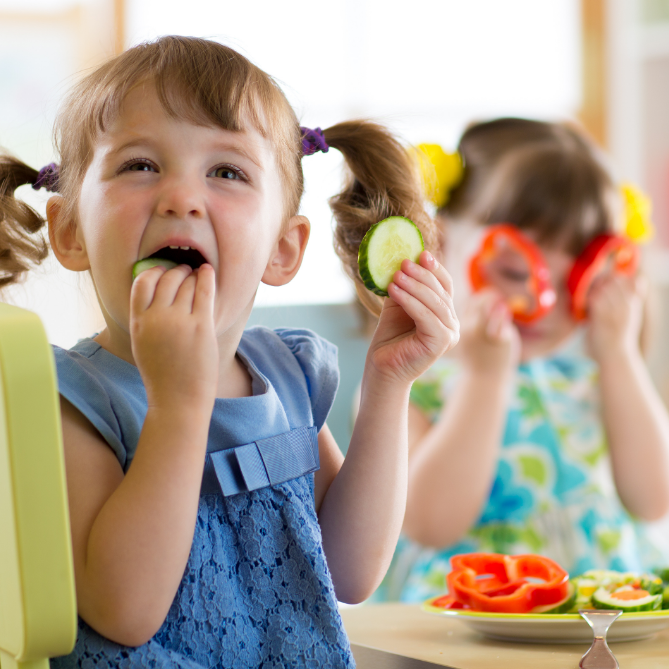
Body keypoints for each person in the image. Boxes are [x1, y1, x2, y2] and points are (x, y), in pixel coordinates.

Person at [0, 37, 459, 666]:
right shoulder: (71, 399)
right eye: (139, 165)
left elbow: (351, 572)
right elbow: (125, 611)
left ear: (283, 250)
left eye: (227, 172)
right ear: (71, 231)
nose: (180, 198)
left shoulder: (287, 377)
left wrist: (388, 385)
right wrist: (179, 404)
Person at [378, 117, 669, 603]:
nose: (544, 302)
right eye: (516, 270)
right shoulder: (415, 376)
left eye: (577, 277)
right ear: (442, 241)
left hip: (600, 613)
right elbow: (429, 522)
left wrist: (619, 355)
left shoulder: (598, 374)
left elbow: (653, 499)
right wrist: (485, 378)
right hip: (474, 616)